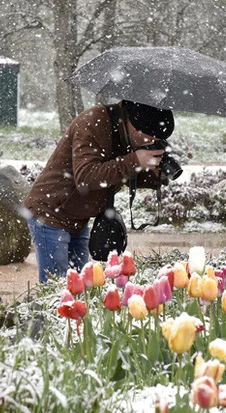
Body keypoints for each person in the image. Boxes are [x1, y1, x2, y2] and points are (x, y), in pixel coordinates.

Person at [24, 100, 173, 283]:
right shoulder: (93, 122)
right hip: (50, 211)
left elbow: (118, 174)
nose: (150, 144)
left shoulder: (126, 133)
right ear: (134, 126)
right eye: (149, 139)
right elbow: (86, 177)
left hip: (77, 216)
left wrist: (154, 173)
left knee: (81, 286)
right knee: (56, 287)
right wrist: (135, 161)